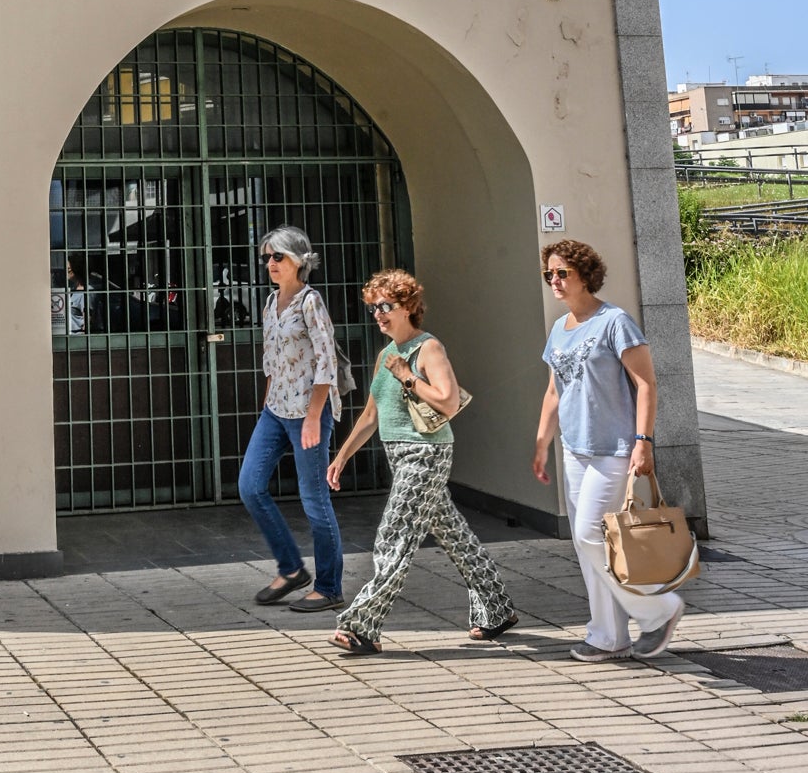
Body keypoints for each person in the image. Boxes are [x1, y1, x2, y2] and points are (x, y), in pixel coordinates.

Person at [326, 269, 517, 655]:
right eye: (373, 307)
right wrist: (342, 456)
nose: (378, 314)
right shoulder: (385, 355)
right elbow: (371, 415)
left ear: (407, 306)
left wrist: (408, 376)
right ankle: (496, 609)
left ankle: (362, 626)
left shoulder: (428, 348)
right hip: (398, 456)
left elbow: (448, 400)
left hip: (426, 454)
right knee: (454, 535)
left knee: (394, 535)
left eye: (385, 306)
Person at [533, 237, 683, 662]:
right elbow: (554, 392)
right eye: (549, 274)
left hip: (615, 449)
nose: (554, 280)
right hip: (576, 449)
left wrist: (643, 442)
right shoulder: (559, 329)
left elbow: (646, 384)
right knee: (587, 545)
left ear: (585, 274)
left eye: (562, 272)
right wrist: (542, 442)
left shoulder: (615, 321)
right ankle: (608, 636)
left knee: (590, 535)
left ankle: (659, 610)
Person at [237, 226, 346, 611]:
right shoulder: (270, 303)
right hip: (275, 411)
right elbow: (271, 359)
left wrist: (315, 417)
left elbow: (327, 362)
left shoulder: (310, 302)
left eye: (278, 256)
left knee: (314, 500)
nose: (270, 263)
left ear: (299, 261)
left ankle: (329, 588)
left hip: (307, 413)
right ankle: (292, 569)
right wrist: (266, 406)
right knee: (250, 486)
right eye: (267, 257)